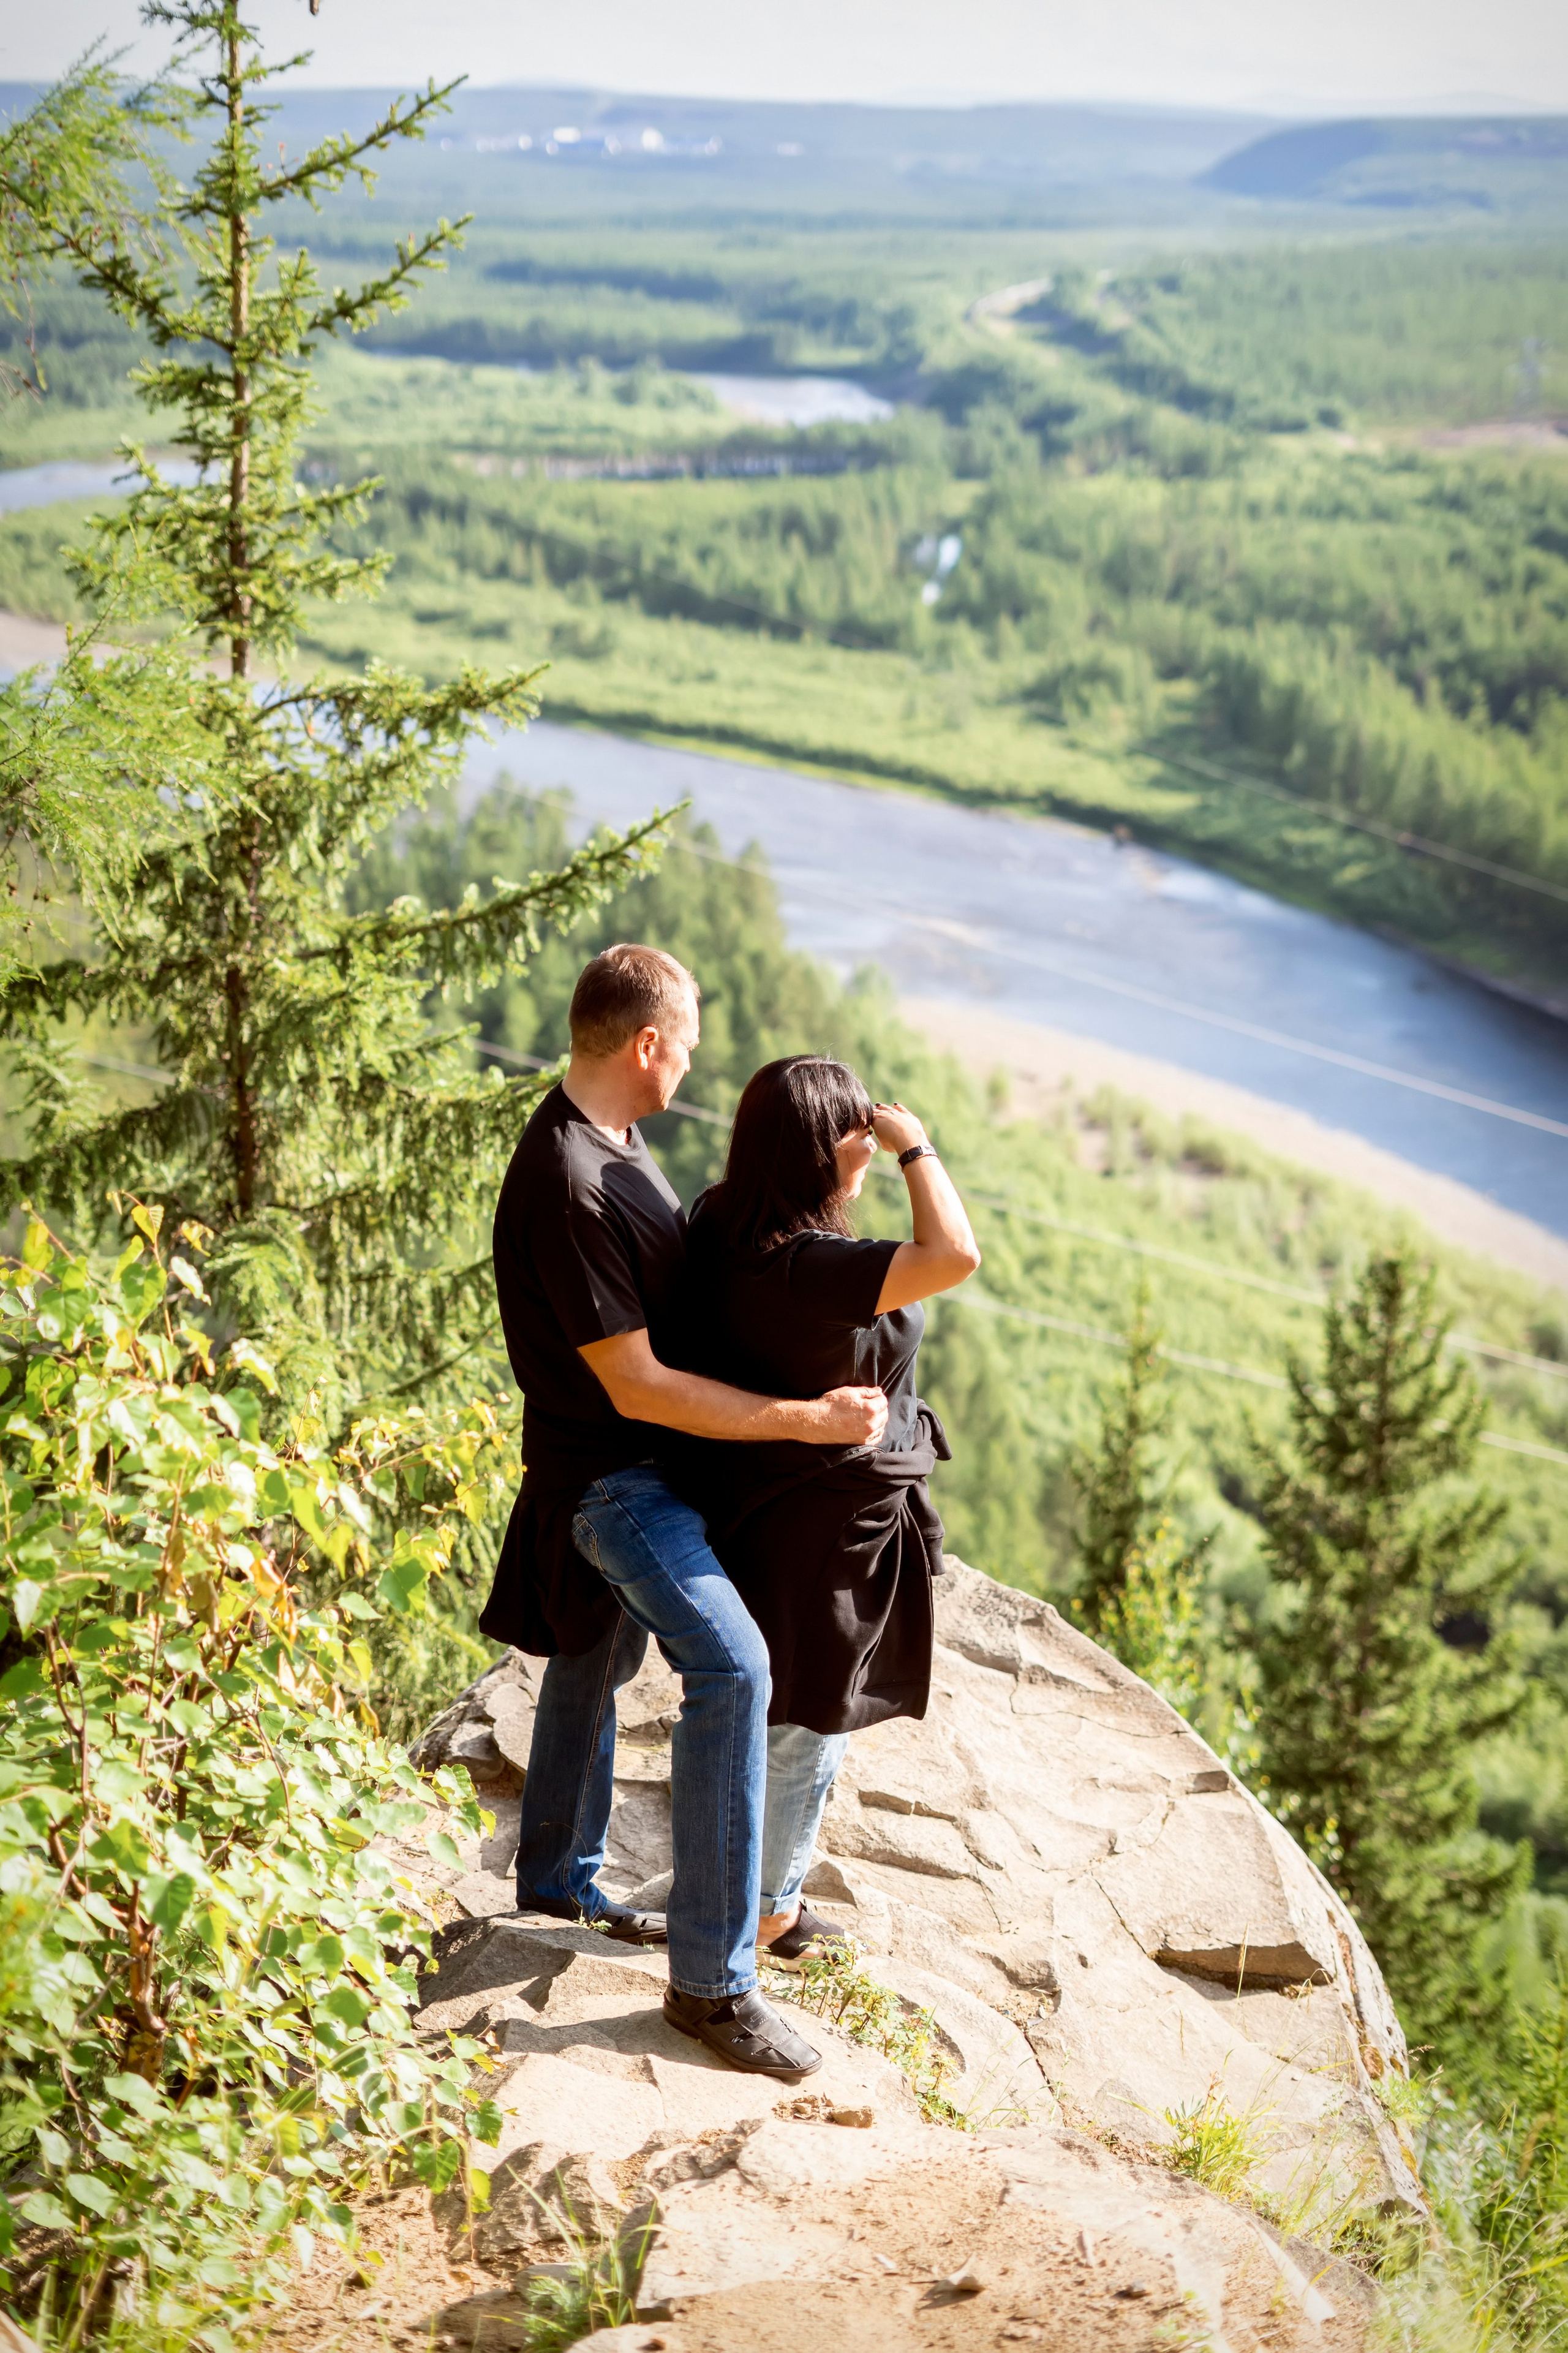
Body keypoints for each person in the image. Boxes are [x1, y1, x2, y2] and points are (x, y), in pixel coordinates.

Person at [479, 945, 888, 2082]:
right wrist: (806, 1420)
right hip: (616, 1479)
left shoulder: (614, 1140)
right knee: (736, 1669)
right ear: (647, 1044)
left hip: (642, 1464)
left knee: (592, 1652)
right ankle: (713, 1987)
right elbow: (639, 1385)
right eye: (690, 1041)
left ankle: (558, 1877)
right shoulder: (569, 1180)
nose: (696, 1060)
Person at [679, 1056, 981, 1962]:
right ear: (819, 1150)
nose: (869, 1133)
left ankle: (750, 1882)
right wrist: (915, 1145)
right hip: (827, 1521)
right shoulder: (814, 1266)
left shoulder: (720, 1219)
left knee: (773, 1702)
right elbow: (955, 1254)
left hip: (758, 1501)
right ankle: (769, 1906)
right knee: (811, 1716)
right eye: (853, 1125)